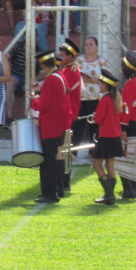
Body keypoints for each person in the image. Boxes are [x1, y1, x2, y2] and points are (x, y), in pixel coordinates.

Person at [30, 49, 67, 204]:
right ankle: (56, 189)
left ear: (43, 66)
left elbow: (44, 105)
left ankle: (50, 193)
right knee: (53, 157)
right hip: (58, 123)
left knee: (48, 160)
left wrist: (34, 100)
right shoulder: (59, 76)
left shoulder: (51, 79)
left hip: (51, 125)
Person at [92, 69, 125, 205]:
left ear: (105, 85)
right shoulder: (115, 99)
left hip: (105, 136)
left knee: (97, 164)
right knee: (110, 162)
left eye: (100, 83)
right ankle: (109, 194)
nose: (99, 86)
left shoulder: (105, 100)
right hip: (115, 136)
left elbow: (98, 119)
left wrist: (95, 116)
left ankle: (109, 193)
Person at [56, 39, 83, 194]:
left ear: (70, 56)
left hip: (68, 114)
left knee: (64, 149)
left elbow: (63, 90)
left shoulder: (71, 70)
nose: (59, 59)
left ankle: (65, 181)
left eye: (62, 56)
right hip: (66, 113)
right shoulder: (67, 69)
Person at [71, 36, 108, 149]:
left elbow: (107, 81)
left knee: (94, 125)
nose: (88, 46)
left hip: (96, 98)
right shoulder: (79, 60)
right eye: (86, 44)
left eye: (91, 44)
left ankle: (93, 152)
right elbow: (73, 75)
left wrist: (93, 81)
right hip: (81, 98)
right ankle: (74, 152)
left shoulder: (102, 61)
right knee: (78, 126)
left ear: (96, 47)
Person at [119, 50, 136, 199]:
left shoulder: (130, 84)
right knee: (133, 157)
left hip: (129, 124)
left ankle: (128, 189)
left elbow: (126, 108)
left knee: (124, 158)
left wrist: (123, 128)